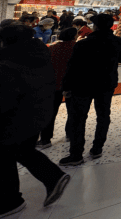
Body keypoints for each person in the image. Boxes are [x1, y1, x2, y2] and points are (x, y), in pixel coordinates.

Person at [0, 23, 71, 216]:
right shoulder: (37, 54)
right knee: (22, 151)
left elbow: (6, 97)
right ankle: (53, 178)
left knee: (7, 156)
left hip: (16, 117)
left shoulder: (9, 63)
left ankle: (10, 201)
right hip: (37, 112)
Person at [59, 14, 121, 166]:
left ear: (95, 26)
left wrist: (66, 87)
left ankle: (76, 154)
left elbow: (72, 67)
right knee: (103, 116)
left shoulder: (83, 44)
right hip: (106, 84)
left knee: (78, 118)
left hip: (83, 84)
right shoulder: (119, 42)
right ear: (111, 26)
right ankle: (97, 148)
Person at [37, 28, 77, 149]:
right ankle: (70, 135)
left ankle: (45, 139)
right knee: (73, 112)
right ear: (74, 36)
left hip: (54, 84)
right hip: (73, 84)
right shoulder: (77, 48)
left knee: (50, 112)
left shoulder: (53, 48)